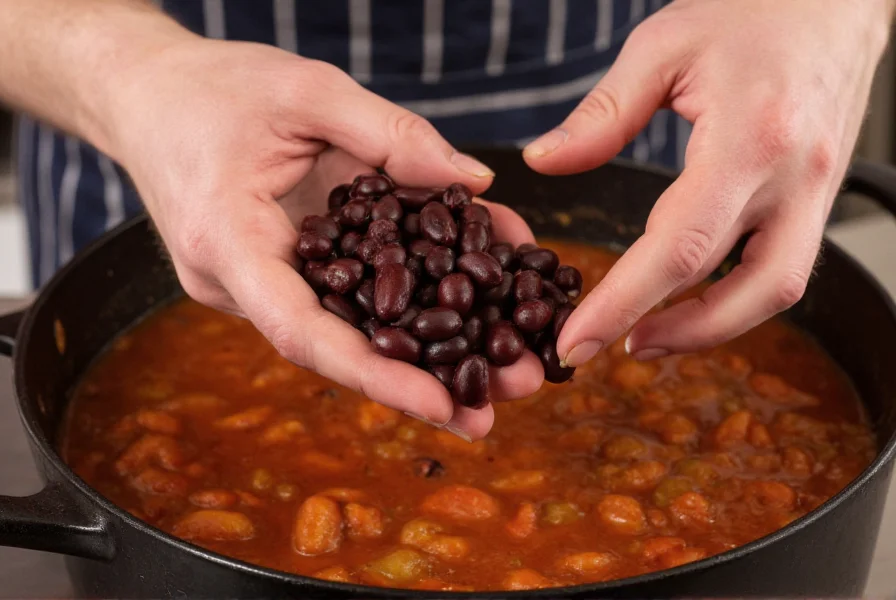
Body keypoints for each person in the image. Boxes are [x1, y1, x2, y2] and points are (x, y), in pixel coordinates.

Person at [1, 0, 892, 440]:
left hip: (644, 105)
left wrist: (828, 16)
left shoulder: (441, 265)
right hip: (160, 130)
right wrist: (131, 76)